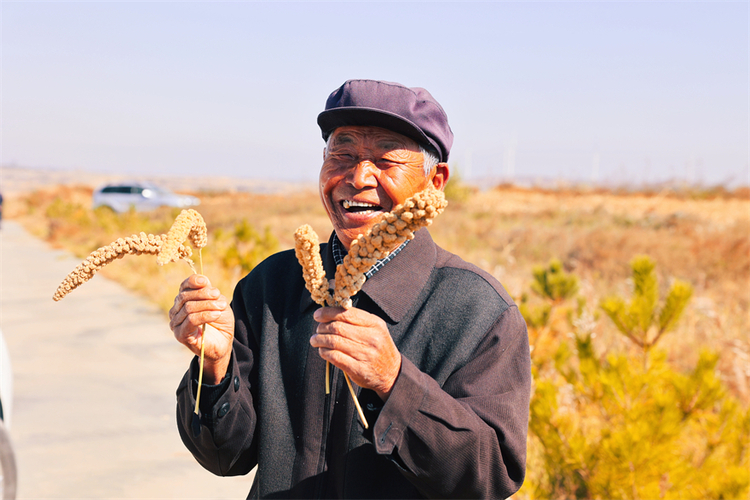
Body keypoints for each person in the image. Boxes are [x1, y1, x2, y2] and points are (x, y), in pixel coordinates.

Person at [169, 79, 531, 499]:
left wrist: (394, 381)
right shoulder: (272, 285)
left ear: (436, 182)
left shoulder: (479, 310)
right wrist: (215, 366)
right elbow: (225, 458)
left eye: (386, 159)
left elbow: (489, 477)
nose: (358, 177)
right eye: (342, 154)